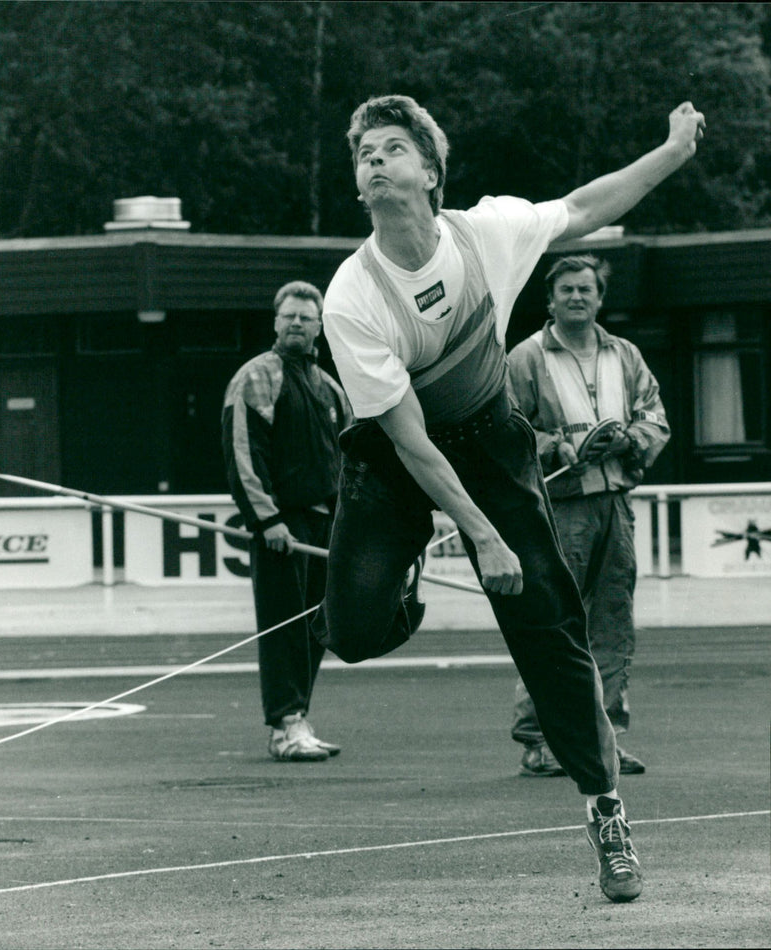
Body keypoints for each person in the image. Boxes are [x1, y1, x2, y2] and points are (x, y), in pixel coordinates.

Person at [311, 94, 705, 903]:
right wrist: (477, 535)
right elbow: (409, 438)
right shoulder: (351, 293)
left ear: (430, 170)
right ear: (359, 186)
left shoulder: (486, 232)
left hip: (492, 443)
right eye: (364, 155)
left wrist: (671, 151)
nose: (375, 162)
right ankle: (404, 578)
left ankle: (607, 817)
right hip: (395, 458)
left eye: (392, 149)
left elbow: (588, 205)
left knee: (551, 630)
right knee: (349, 633)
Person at [508, 255, 670, 779]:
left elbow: (653, 413)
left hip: (616, 503)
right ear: (550, 300)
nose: (577, 297)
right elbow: (507, 426)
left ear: (600, 298)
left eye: (586, 289)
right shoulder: (526, 358)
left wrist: (633, 439)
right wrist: (554, 446)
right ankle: (540, 740)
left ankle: (605, 739)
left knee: (613, 621)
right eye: (567, 290)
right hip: (558, 506)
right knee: (555, 621)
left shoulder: (625, 353)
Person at [221, 281, 352, 762]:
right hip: (282, 529)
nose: (297, 324)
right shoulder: (255, 378)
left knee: (317, 627)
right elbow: (243, 457)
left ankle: (299, 718)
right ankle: (284, 726)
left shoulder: (331, 387)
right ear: (275, 321)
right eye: (289, 316)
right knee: (282, 627)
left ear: (319, 326)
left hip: (326, 527)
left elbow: (349, 462)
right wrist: (268, 520)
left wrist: (347, 526)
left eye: (306, 317)